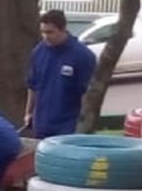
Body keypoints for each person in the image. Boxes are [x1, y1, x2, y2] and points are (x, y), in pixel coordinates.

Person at [24, 8, 95, 139]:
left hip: (67, 127)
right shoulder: (38, 52)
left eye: (50, 32)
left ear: (63, 29)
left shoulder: (82, 55)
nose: (46, 36)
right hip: (42, 124)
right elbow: (32, 85)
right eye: (43, 32)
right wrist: (28, 112)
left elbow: (86, 93)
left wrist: (83, 124)